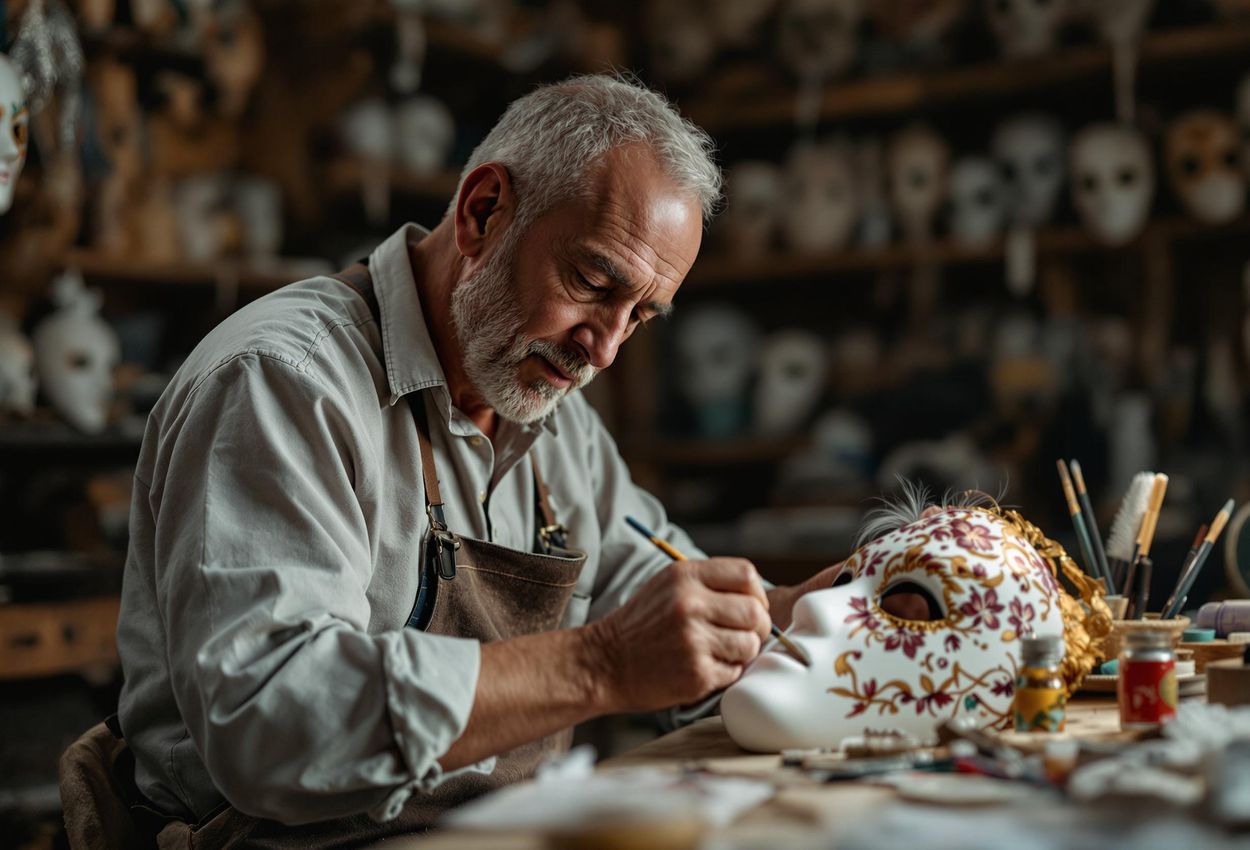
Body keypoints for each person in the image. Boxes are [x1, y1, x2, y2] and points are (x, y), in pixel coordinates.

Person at [114, 74, 841, 846]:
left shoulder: (554, 417)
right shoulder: (281, 382)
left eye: (639, 319)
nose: (603, 349)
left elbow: (655, 586)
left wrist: (802, 611)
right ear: (482, 212)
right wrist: (601, 664)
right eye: (592, 282)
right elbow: (273, 722)